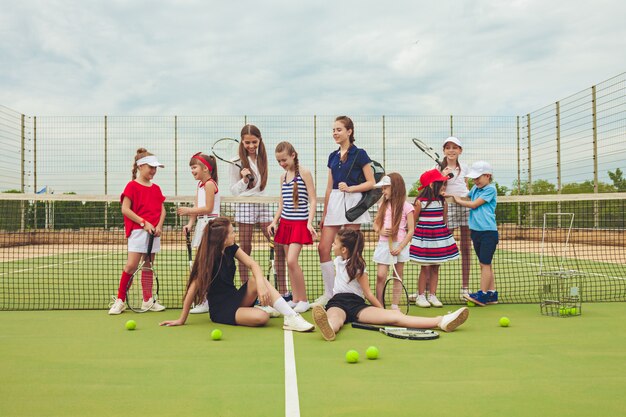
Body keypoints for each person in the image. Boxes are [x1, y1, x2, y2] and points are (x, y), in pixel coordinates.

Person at [159, 217, 314, 331]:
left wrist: (260, 284)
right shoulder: (208, 261)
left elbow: (253, 264)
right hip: (221, 310)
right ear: (222, 238)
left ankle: (292, 317)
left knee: (256, 280)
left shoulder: (231, 248)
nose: (235, 235)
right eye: (232, 232)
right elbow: (192, 289)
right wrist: (181, 319)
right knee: (262, 318)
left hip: (235, 297)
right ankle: (268, 310)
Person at [311, 229, 469, 341]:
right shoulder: (337, 261)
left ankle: (442, 320)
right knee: (334, 318)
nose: (332, 245)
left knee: (395, 318)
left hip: (357, 305)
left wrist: (381, 311)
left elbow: (368, 294)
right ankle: (329, 328)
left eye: (335, 244)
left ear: (344, 249)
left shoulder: (358, 267)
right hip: (337, 302)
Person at [315, 116, 375, 307]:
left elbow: (371, 183)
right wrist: (324, 215)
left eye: (339, 129)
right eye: (333, 130)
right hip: (334, 203)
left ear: (349, 131)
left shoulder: (360, 154)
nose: (335, 133)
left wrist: (351, 189)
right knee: (323, 248)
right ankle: (330, 292)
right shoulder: (332, 156)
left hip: (353, 204)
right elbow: (328, 187)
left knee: (351, 251)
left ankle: (354, 291)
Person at [229, 124, 288, 297]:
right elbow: (233, 190)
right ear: (242, 142)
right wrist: (244, 180)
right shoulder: (235, 162)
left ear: (260, 140)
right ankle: (246, 290)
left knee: (277, 243)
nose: (251, 146)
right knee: (245, 248)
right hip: (245, 205)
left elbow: (261, 186)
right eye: (247, 142)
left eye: (254, 142)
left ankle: (283, 290)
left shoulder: (263, 158)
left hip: (262, 203)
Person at [109, 148, 167, 315]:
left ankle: (147, 300)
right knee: (131, 266)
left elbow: (162, 210)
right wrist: (144, 223)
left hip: (153, 233)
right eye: (151, 167)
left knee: (148, 267)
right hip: (138, 232)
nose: (154, 171)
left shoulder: (156, 188)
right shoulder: (132, 186)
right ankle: (120, 300)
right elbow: (125, 209)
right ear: (140, 167)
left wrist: (159, 226)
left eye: (155, 168)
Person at [267, 142, 317, 313]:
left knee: (291, 261)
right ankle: (295, 299)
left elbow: (313, 200)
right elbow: (282, 203)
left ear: (293, 155)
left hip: (299, 223)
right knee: (290, 263)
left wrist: (309, 222)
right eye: (279, 161)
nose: (282, 164)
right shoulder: (283, 177)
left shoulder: (305, 173)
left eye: (284, 160)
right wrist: (274, 221)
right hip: (285, 224)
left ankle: (304, 299)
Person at [448, 161, 498, 306]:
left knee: (485, 264)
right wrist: (449, 194)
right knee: (484, 264)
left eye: (478, 177)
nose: (475, 180)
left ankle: (482, 294)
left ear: (487, 176)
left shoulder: (491, 189)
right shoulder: (475, 189)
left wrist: (457, 200)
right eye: (474, 178)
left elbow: (474, 204)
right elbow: (465, 196)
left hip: (488, 232)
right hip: (476, 232)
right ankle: (492, 294)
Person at [409, 169, 460, 308]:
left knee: (436, 267)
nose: (444, 187)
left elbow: (444, 221)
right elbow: (412, 221)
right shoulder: (420, 202)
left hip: (438, 239)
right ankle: (420, 296)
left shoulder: (443, 202)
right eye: (441, 184)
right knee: (425, 268)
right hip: (424, 239)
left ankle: (432, 295)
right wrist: (411, 236)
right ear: (432, 185)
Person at [177, 152, 219, 314]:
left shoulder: (209, 184)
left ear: (205, 168)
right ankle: (204, 299)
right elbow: (198, 207)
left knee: (207, 265)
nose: (192, 170)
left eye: (194, 167)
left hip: (212, 225)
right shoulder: (200, 185)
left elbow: (208, 208)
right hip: (202, 225)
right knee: (201, 264)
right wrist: (190, 223)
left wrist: (187, 210)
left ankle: (207, 300)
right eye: (191, 168)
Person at [371, 173, 415, 308]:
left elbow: (411, 230)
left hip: (399, 245)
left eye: (385, 188)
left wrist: (400, 247)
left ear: (395, 187)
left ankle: (395, 305)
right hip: (384, 245)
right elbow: (375, 224)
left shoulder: (407, 207)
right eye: (382, 188)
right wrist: (380, 230)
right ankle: (379, 305)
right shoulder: (382, 205)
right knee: (381, 275)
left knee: (398, 275)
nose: (383, 191)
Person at [438, 136, 472, 300]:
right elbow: (435, 189)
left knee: (466, 247)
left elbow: (465, 185)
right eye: (448, 147)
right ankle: (428, 291)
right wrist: (442, 180)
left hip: (465, 205)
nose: (451, 150)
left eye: (455, 147)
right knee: (439, 246)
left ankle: (465, 288)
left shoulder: (465, 167)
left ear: (460, 151)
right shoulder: (438, 167)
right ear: (444, 150)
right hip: (448, 206)